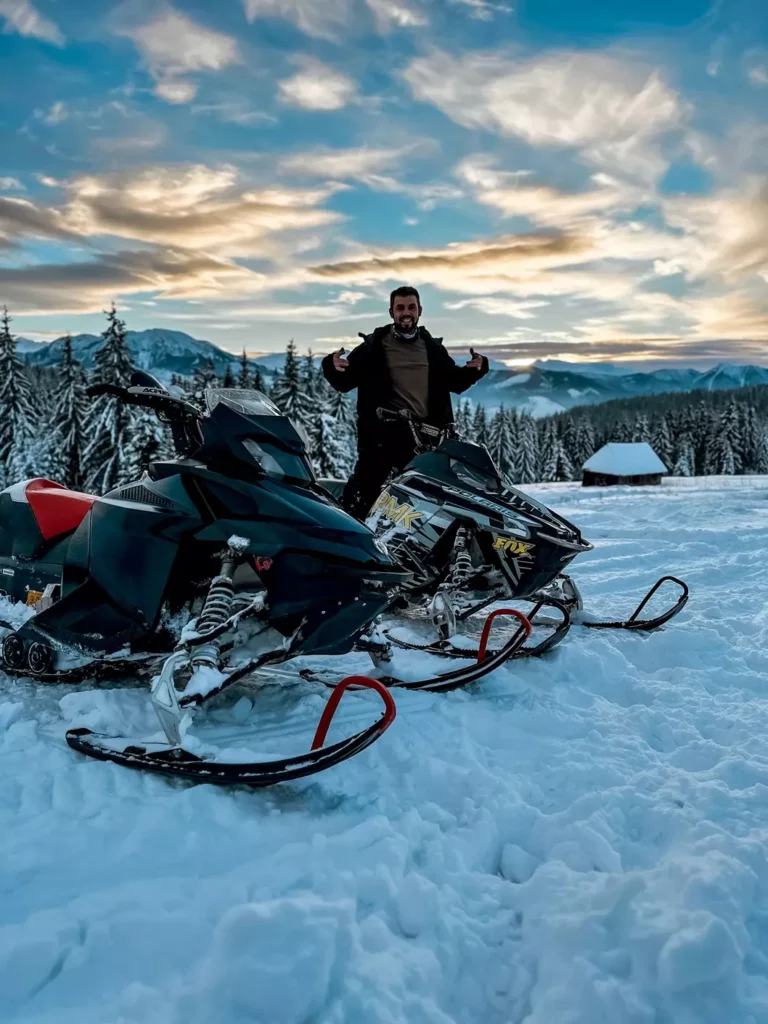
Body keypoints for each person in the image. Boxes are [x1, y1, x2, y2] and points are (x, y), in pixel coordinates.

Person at [321, 285, 489, 519]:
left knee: (428, 505)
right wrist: (331, 365)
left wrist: (477, 369)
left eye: (411, 307)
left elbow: (455, 382)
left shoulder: (432, 348)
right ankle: (350, 546)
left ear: (419, 310)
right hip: (381, 438)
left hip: (427, 439)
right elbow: (345, 382)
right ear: (391, 312)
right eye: (400, 308)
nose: (406, 312)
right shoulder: (373, 347)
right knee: (361, 497)